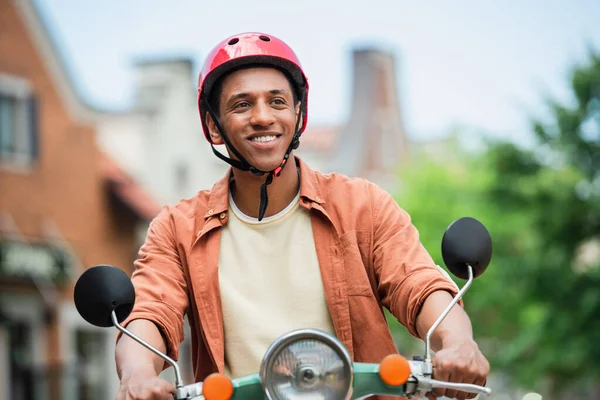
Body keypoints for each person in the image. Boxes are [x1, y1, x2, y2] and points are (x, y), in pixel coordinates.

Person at [114, 32, 489, 400]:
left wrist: (458, 341)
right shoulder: (177, 227)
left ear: (298, 113)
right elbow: (150, 309)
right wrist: (137, 373)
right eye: (242, 105)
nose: (262, 117)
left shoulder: (362, 204)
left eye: (277, 101)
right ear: (214, 125)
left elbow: (418, 284)